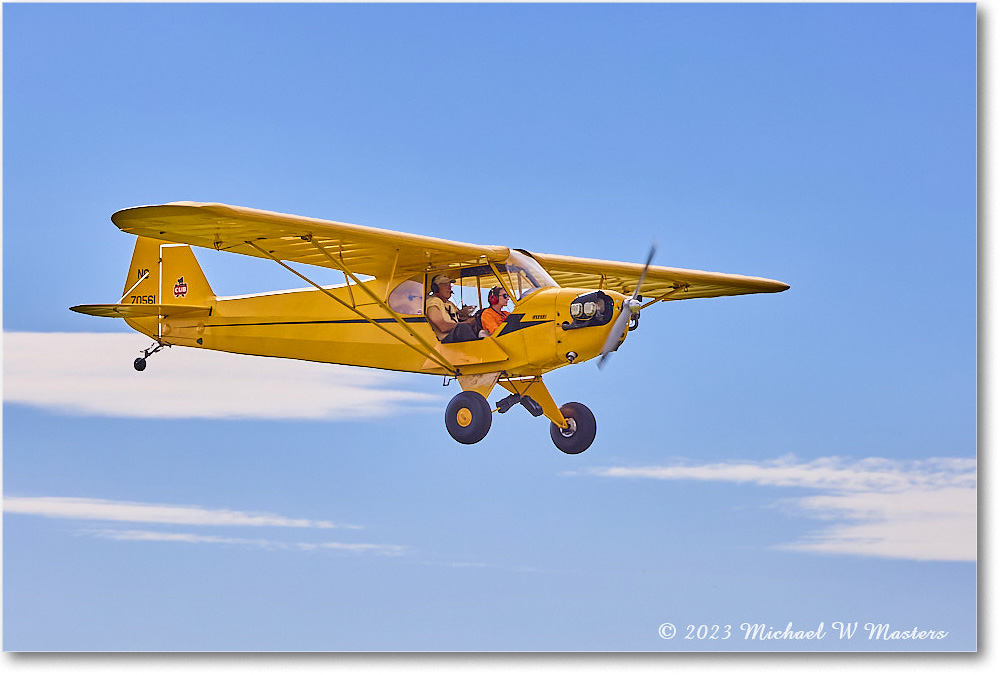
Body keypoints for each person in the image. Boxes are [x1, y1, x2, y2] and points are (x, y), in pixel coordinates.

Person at [425, 274, 479, 343]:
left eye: (450, 285)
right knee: (463, 328)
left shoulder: (449, 304)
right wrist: (466, 323)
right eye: (445, 285)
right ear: (435, 288)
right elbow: (443, 327)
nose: (449, 288)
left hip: (454, 338)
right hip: (444, 341)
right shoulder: (432, 302)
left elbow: (460, 317)